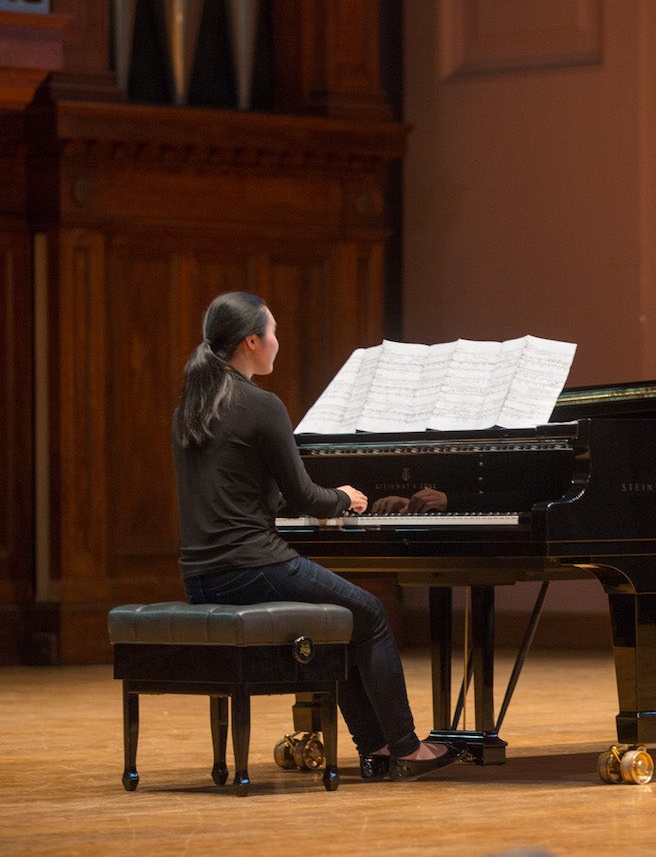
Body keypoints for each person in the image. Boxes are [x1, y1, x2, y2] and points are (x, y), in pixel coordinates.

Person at [171, 290, 464, 782]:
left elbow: (252, 495)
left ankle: (374, 749)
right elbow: (305, 496)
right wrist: (345, 499)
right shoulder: (262, 406)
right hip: (251, 568)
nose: (277, 342)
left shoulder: (191, 409)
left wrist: (317, 502)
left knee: (343, 619)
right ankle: (407, 750)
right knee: (368, 613)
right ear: (250, 342)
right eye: (273, 333)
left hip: (201, 576)